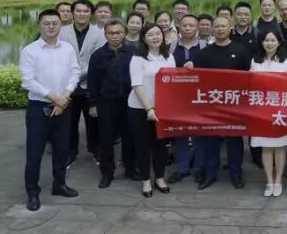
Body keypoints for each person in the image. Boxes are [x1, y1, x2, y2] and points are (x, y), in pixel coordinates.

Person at [20, 9, 80, 212]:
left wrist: (65, 96)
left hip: (64, 105)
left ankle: (59, 184)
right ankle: (32, 192)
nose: (51, 27)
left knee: (62, 149)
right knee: (34, 152)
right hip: (39, 108)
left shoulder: (68, 48)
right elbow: (28, 81)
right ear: (39, 26)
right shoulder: (30, 51)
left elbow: (75, 72)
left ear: (61, 25)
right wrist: (55, 98)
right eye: (47, 23)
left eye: (55, 23)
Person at [196, 16, 252, 189]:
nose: (220, 29)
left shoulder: (240, 50)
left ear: (230, 29)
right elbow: (197, 79)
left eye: (223, 26)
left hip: (234, 103)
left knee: (235, 140)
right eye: (217, 26)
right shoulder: (204, 53)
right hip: (211, 103)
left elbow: (248, 77)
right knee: (210, 140)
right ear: (212, 29)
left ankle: (236, 174)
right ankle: (210, 174)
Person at [87, 18, 136, 189]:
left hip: (129, 101)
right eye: (111, 33)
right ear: (105, 34)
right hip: (106, 102)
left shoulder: (134, 53)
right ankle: (107, 172)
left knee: (130, 137)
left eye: (118, 33)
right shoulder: (98, 55)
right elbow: (92, 82)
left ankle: (131, 168)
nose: (115, 36)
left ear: (124, 33)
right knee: (106, 139)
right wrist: (93, 104)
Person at [128, 22, 172, 198]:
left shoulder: (169, 57)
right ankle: (146, 180)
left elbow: (173, 82)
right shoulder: (138, 58)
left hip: (162, 108)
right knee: (143, 146)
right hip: (140, 108)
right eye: (151, 35)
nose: (155, 37)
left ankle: (160, 178)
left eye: (158, 34)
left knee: (160, 145)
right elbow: (137, 85)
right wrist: (149, 109)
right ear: (144, 39)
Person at [59, 0, 105, 168]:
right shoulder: (62, 32)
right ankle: (70, 152)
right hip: (67, 86)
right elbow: (58, 57)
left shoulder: (99, 33)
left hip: (90, 85)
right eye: (78, 11)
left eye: (86, 11)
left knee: (93, 121)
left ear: (91, 14)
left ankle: (95, 150)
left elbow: (98, 59)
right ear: (72, 13)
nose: (82, 14)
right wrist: (72, 76)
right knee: (69, 122)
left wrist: (77, 74)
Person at [250, 29, 287, 197]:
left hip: (280, 109)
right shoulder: (255, 61)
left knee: (280, 147)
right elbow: (251, 84)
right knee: (266, 147)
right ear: (261, 42)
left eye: (273, 40)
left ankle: (278, 180)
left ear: (279, 42)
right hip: (261, 109)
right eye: (266, 40)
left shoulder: (286, 62)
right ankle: (269, 181)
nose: (269, 43)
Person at [167, 14, 205, 185]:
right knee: (181, 133)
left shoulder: (205, 47)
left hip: (200, 97)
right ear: (179, 27)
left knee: (200, 134)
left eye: (191, 25)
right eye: (184, 25)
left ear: (197, 28)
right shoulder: (171, 47)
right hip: (178, 98)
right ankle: (182, 168)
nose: (188, 28)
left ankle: (199, 168)